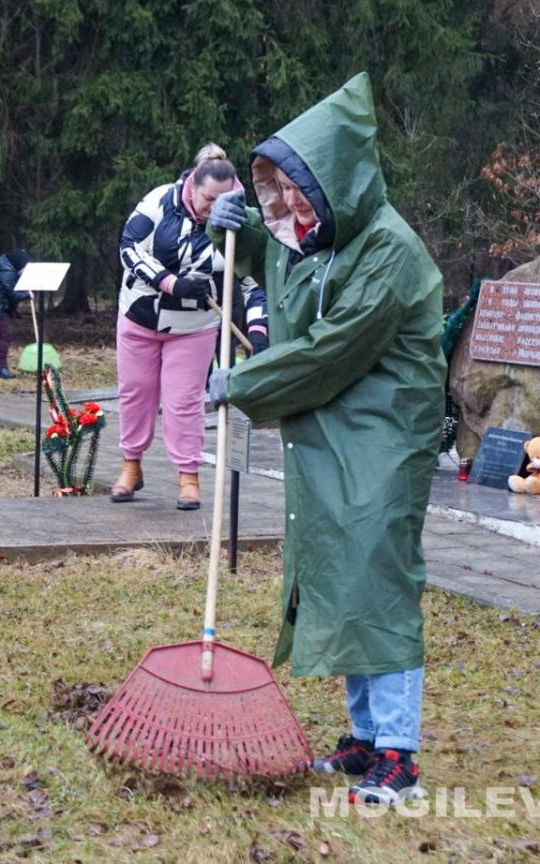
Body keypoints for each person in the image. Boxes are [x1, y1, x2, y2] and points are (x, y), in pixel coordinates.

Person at [206, 73, 446, 805]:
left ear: (341, 182)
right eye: (279, 195)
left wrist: (241, 383)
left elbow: (331, 347)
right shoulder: (316, 230)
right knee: (339, 572)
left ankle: (398, 755)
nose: (290, 209)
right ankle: (365, 738)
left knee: (376, 574)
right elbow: (279, 263)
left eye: (300, 194)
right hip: (334, 423)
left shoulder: (391, 252)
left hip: (384, 430)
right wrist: (238, 226)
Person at [113, 143, 264, 509]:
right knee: (136, 393)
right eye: (208, 199)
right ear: (192, 185)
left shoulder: (240, 223)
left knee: (185, 402)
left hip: (194, 328)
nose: (213, 209)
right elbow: (129, 247)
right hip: (140, 317)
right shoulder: (159, 201)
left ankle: (188, 477)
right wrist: (170, 282)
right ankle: (131, 464)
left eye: (222, 201)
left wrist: (258, 334)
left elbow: (255, 282)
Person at [0, 249, 31, 378]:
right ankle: (1, 368)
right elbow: (13, 294)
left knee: (2, 336)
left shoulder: (7, 270)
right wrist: (28, 295)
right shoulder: (7, 274)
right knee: (6, 335)